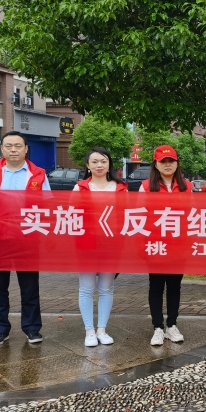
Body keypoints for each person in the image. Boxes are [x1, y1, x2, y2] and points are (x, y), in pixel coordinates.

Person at [0, 131, 51, 346]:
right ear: (2, 149)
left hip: (27, 239)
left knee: (29, 286)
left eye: (18, 146)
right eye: (9, 146)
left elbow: (48, 205)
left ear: (26, 149)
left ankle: (32, 328)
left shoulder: (38, 174)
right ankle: (0, 330)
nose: (13, 150)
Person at [74, 148, 128, 347]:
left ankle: (102, 330)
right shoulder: (79, 188)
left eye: (103, 161)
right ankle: (89, 331)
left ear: (109, 164)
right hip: (86, 245)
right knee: (86, 288)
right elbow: (71, 215)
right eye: (95, 161)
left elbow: (127, 215)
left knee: (106, 288)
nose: (99, 165)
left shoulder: (120, 188)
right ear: (87, 165)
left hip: (111, 245)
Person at [140, 145, 191, 346]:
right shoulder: (146, 186)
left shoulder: (187, 186)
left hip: (179, 245)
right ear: (156, 164)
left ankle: (172, 324)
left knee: (174, 286)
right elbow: (139, 215)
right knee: (156, 286)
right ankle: (158, 327)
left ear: (177, 163)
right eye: (163, 161)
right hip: (155, 244)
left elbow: (192, 214)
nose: (168, 165)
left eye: (171, 161)